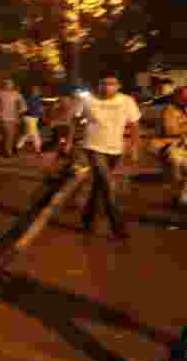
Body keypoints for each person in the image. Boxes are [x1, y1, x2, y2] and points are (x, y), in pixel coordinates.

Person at [75, 72, 140, 239]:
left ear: (118, 86)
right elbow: (74, 120)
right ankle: (118, 226)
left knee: (100, 184)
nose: (108, 86)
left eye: (112, 83)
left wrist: (134, 146)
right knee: (108, 184)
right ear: (99, 85)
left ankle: (88, 217)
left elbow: (134, 125)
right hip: (93, 146)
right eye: (104, 83)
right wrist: (69, 141)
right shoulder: (87, 100)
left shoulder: (127, 101)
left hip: (115, 149)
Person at [156, 86, 187, 207]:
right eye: (184, 96)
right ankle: (180, 196)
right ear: (177, 97)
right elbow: (170, 129)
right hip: (172, 145)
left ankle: (182, 197)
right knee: (177, 165)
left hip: (182, 146)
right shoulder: (169, 110)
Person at [0, 80, 27, 158]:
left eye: (10, 84)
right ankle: (8, 151)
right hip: (3, 117)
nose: (9, 86)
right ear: (4, 85)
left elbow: (24, 106)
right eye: (7, 84)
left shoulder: (16, 94)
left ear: (13, 85)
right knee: (8, 134)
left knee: (11, 135)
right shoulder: (0, 94)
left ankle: (7, 150)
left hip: (14, 117)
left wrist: (19, 111)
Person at [16, 86, 45, 154]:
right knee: (34, 133)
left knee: (28, 133)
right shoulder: (31, 99)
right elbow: (28, 108)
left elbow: (39, 109)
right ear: (34, 91)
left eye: (38, 90)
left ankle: (18, 146)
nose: (38, 92)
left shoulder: (36, 99)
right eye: (37, 90)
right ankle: (38, 149)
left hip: (33, 117)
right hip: (30, 117)